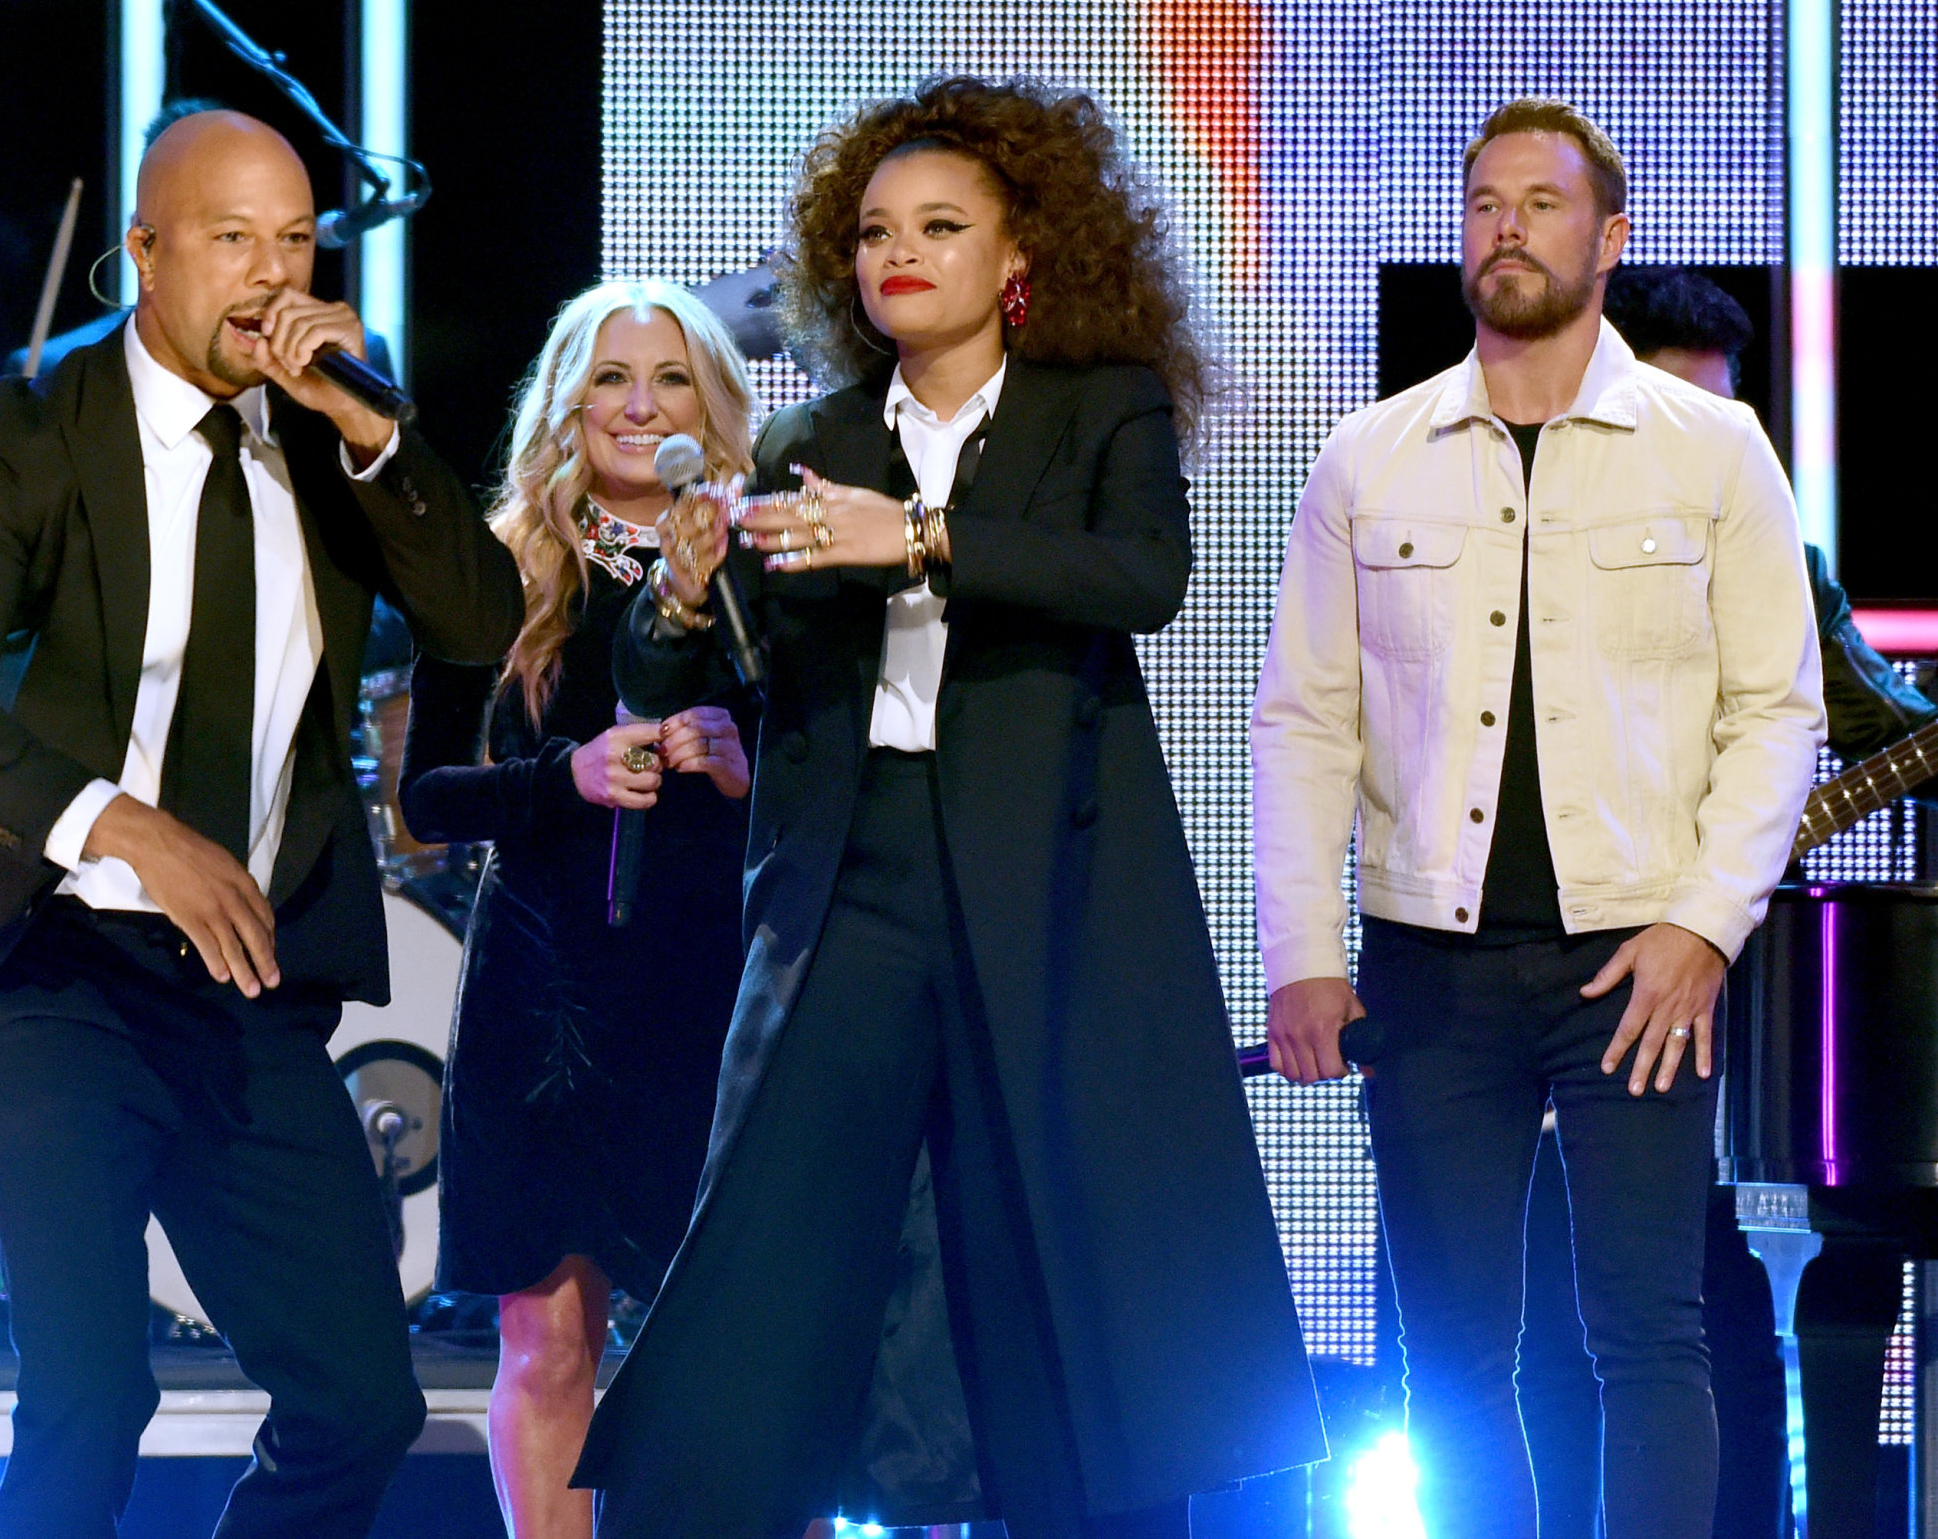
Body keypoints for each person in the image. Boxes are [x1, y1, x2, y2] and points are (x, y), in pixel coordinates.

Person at [576, 74, 1324, 1539]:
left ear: (1019, 254)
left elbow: (1140, 580)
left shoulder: (1098, 409)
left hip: (1046, 877)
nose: (897, 253)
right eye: (872, 231)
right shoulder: (815, 435)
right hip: (853, 872)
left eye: (939, 225)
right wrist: (675, 593)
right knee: (784, 1227)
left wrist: (917, 539)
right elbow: (684, 654)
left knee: (1042, 1236)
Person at [0, 109, 524, 1539]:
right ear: (146, 256)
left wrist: (371, 435)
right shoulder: (36, 420)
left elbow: (480, 614)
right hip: (55, 970)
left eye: (296, 243)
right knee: (93, 1398)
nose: (270, 281)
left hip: (246, 982)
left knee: (365, 1405)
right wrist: (121, 826)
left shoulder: (344, 419)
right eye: (233, 242)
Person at [1255, 98, 1826, 1539]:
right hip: (1428, 963)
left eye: (1543, 203)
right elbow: (1306, 720)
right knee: (1449, 1353)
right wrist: (1301, 953)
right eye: (1484, 202)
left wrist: (1704, 924)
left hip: (1635, 961)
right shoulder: (1369, 457)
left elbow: (1779, 711)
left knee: (1648, 1330)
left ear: (1608, 237)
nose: (1507, 227)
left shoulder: (1712, 448)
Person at [1516, 265, 1938, 1539]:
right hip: (1524, 968)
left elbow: (1888, 719)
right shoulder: (1522, 535)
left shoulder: (1776, 562)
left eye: (1723, 413)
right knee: (1532, 1322)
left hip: (1717, 995)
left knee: (1708, 1315)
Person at [397, 280, 759, 1539]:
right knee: (547, 1346)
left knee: (742, 1347)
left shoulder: (763, 568)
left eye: (668, 380)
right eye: (611, 377)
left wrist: (743, 759)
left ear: (708, 410)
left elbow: (848, 769)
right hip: (541, 998)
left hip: (711, 990)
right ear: (568, 400)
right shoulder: (498, 569)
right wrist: (567, 776)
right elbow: (426, 799)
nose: (638, 404)